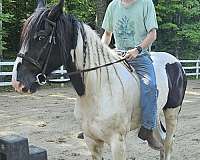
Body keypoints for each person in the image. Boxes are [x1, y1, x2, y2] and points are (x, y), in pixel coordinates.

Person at [101, 0, 163, 150]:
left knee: (150, 85)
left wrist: (137, 50)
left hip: (139, 56)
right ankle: (93, 125)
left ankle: (148, 129)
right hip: (117, 54)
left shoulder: (146, 3)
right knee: (96, 80)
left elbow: (152, 34)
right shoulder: (113, 5)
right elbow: (107, 34)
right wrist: (100, 52)